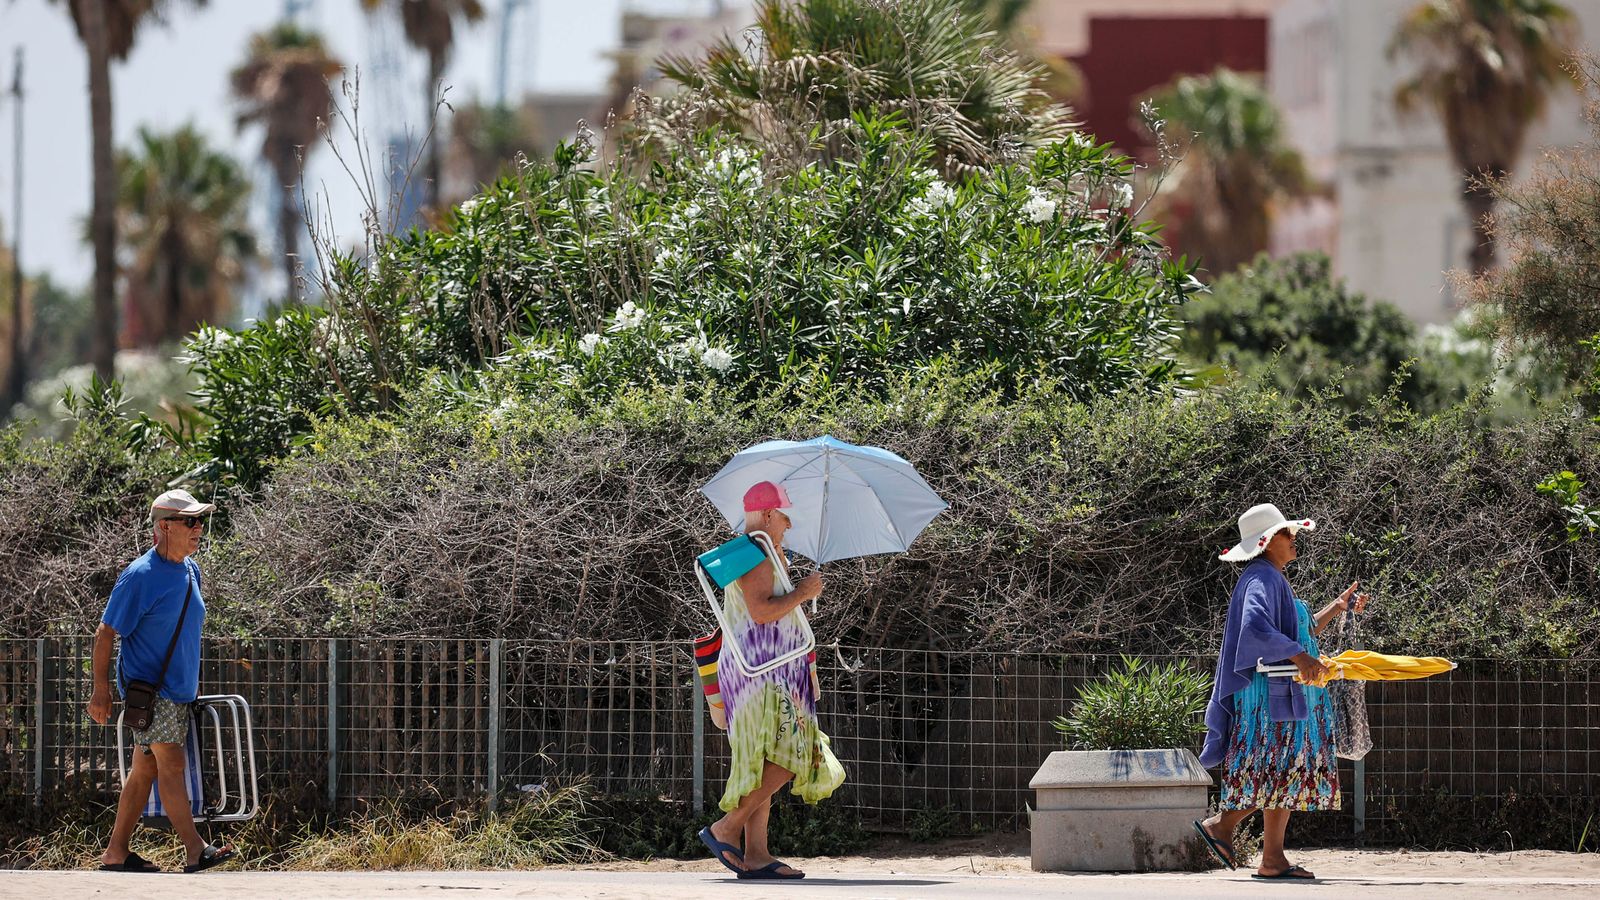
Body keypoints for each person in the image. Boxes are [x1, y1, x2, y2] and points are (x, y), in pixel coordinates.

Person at [1193, 503, 1370, 881]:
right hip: (1269, 698)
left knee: (1282, 770)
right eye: (1288, 534)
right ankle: (1229, 831)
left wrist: (1337, 609)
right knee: (1279, 768)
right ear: (1269, 540)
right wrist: (1301, 656)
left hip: (1281, 694)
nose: (1294, 539)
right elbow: (1256, 628)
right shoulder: (1261, 579)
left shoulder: (1271, 578)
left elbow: (1300, 631)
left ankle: (1264, 853)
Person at [697, 481, 845, 881]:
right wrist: (802, 592)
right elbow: (762, 613)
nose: (789, 524)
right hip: (761, 672)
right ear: (766, 515)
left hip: (766, 669)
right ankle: (725, 828)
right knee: (795, 751)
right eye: (785, 516)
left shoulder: (761, 551)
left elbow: (768, 614)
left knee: (763, 757)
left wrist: (797, 598)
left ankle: (757, 854)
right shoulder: (755, 553)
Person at [86, 489, 237, 874]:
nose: (198, 527)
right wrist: (100, 692)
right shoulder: (140, 576)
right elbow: (105, 633)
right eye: (191, 521)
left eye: (200, 521)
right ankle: (195, 849)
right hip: (154, 694)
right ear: (164, 527)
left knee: (145, 770)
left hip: (177, 693)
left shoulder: (190, 571)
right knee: (171, 763)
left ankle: (115, 853)